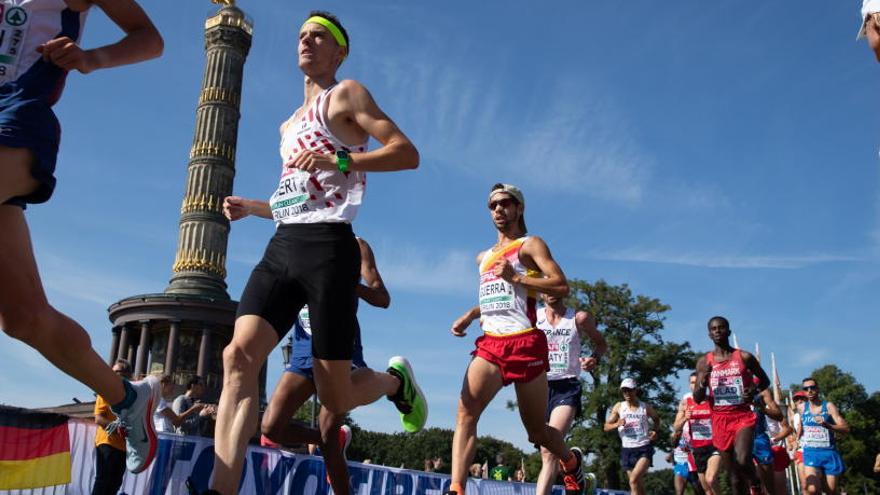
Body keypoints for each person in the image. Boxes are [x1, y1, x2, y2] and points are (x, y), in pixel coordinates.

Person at [209, 10, 420, 494]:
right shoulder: (287, 125)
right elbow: (296, 200)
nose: (306, 40)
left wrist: (340, 156)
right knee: (237, 356)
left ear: (339, 51)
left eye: (318, 35)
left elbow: (406, 153)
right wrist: (254, 208)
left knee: (336, 394)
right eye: (301, 34)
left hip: (330, 246)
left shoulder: (347, 95)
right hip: (284, 243)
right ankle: (221, 489)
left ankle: (393, 382)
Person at [0, 0, 163, 474]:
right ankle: (128, 398)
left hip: (17, 117)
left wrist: (91, 59)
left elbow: (148, 38)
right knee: (24, 318)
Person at [445, 183, 587, 495]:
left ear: (519, 208)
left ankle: (571, 463)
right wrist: (470, 315)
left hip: (525, 343)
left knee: (537, 433)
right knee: (465, 412)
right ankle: (456, 488)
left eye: (506, 203)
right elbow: (500, 297)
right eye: (493, 205)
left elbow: (562, 286)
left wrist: (518, 277)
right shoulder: (483, 257)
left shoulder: (530, 245)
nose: (499, 209)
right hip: (491, 344)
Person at [258, 236, 424, 495]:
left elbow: (382, 298)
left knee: (328, 429)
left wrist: (349, 285)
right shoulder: (294, 237)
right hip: (303, 348)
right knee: (272, 428)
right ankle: (332, 439)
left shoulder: (356, 245)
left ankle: (396, 381)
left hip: (339, 343)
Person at [535, 292, 607, 495]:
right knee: (545, 449)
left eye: (554, 287)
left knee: (547, 451)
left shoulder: (578, 318)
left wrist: (594, 359)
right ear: (540, 291)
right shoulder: (534, 317)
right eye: (546, 287)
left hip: (566, 386)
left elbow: (601, 344)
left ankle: (569, 465)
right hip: (538, 386)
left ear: (563, 289)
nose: (550, 292)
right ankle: (572, 462)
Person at [694, 316, 771, 495]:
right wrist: (703, 381)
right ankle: (747, 483)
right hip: (720, 420)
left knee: (743, 460)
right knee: (735, 478)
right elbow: (698, 398)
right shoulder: (704, 362)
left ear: (728, 331)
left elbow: (764, 381)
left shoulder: (744, 357)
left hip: (742, 417)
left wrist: (752, 389)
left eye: (721, 327)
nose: (718, 331)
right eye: (714, 329)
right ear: (709, 334)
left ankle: (755, 480)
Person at [603, 378, 661, 495]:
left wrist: (655, 431)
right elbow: (606, 427)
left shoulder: (645, 407)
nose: (627, 393)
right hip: (627, 449)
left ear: (635, 390)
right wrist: (616, 424)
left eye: (629, 390)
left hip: (644, 448)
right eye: (624, 391)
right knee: (637, 483)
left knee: (633, 480)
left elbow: (656, 419)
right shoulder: (619, 406)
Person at [799, 377, 849, 495]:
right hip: (811, 453)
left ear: (818, 389)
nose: (809, 391)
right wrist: (797, 438)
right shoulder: (801, 408)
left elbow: (846, 428)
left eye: (812, 388)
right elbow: (801, 427)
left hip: (829, 454)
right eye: (806, 389)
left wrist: (829, 426)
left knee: (830, 491)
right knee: (812, 489)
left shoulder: (829, 406)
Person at [673, 372, 720, 495]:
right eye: (692, 383)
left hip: (714, 446)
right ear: (689, 385)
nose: (695, 386)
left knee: (711, 479)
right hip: (697, 449)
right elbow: (676, 427)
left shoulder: (713, 401)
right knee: (707, 491)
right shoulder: (686, 403)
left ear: (703, 384)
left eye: (698, 382)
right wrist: (685, 418)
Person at [92, 360, 131, 495]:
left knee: (115, 483)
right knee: (103, 481)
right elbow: (99, 418)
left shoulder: (132, 396)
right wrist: (117, 428)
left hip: (123, 446)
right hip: (106, 442)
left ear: (127, 375)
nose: (112, 375)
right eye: (112, 372)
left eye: (116, 372)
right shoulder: (105, 390)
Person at [752, 388, 785, 495]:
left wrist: (762, 409)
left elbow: (784, 423)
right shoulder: (734, 391)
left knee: (774, 487)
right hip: (743, 439)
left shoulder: (762, 395)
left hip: (764, 442)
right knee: (750, 484)